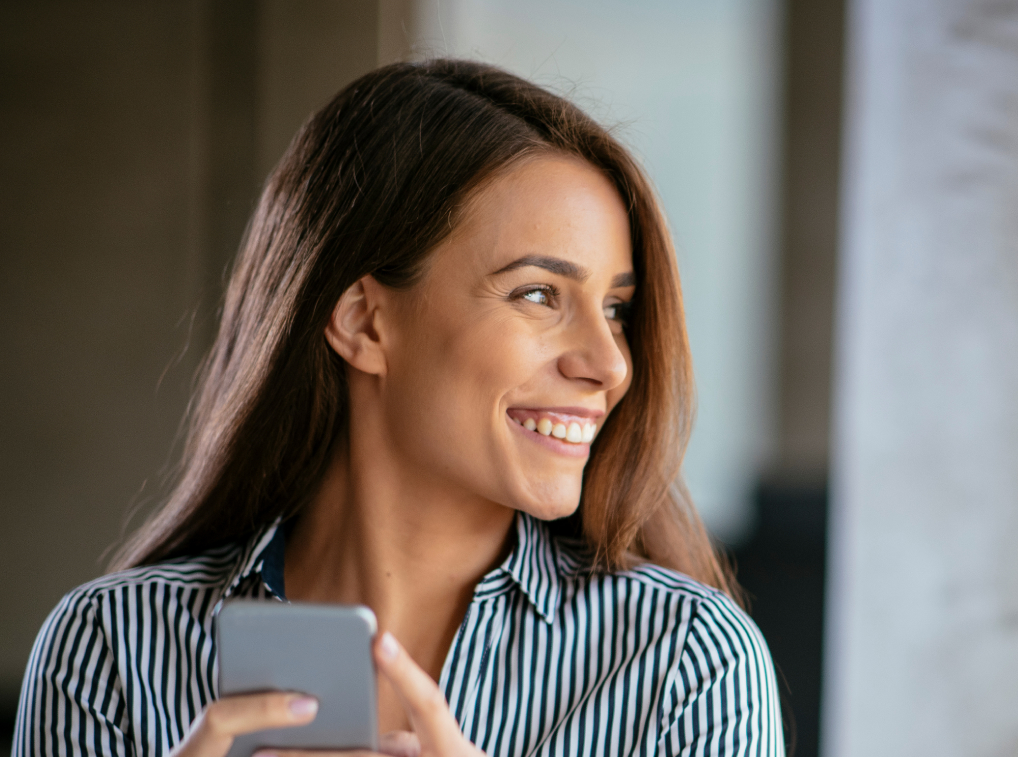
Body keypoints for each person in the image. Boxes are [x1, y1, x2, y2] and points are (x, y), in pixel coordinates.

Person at [11, 59, 783, 757]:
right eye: (539, 294)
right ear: (364, 321)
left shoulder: (688, 666)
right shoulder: (108, 650)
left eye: (615, 307)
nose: (609, 363)